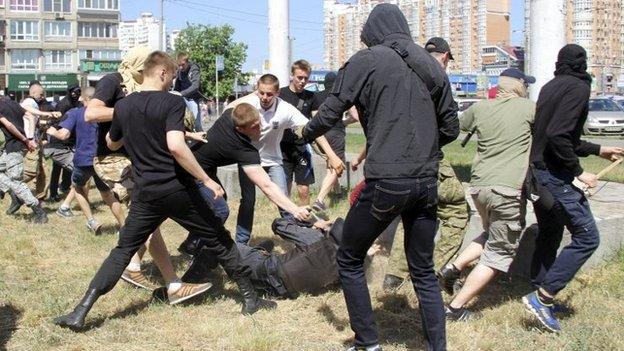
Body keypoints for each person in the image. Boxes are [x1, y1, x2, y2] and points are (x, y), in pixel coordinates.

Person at [53, 51, 276, 331]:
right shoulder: (172, 102)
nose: (172, 81)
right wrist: (206, 180)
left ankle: (80, 311)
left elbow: (111, 143)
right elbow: (175, 145)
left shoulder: (124, 106)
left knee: (122, 250)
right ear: (161, 73)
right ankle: (250, 298)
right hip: (177, 189)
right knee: (219, 238)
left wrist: (137, 135)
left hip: (146, 193)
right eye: (171, 75)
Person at [300, 4, 458, 350]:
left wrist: (303, 133)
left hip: (388, 180)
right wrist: (422, 148)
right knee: (422, 268)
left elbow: (331, 110)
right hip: (427, 182)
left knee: (350, 256)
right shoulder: (430, 64)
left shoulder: (366, 60)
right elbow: (451, 126)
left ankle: (368, 343)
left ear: (372, 31)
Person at [523, 44, 623, 333]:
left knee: (551, 230)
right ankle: (543, 298)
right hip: (554, 175)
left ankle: (540, 290)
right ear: (584, 64)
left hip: (536, 172)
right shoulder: (578, 88)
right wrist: (579, 172)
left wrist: (599, 149)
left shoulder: (550, 87)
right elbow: (558, 135)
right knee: (588, 237)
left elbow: (561, 135)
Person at [436, 68, 536, 321]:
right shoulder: (529, 109)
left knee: (491, 233)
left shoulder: (480, 108)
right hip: (507, 189)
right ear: (521, 86)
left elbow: (454, 127)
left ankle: (453, 268)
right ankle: (455, 309)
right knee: (500, 252)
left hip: (479, 187)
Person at [84, 45, 185, 294]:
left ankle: (133, 264)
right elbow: (91, 113)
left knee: (145, 217)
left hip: (135, 159)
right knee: (146, 218)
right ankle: (171, 281)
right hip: (112, 159)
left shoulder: (141, 88)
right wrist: (127, 111)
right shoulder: (114, 82)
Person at [382, 37, 469, 290]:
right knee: (456, 210)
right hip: (427, 158)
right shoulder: (438, 77)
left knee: (411, 212)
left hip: (397, 159)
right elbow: (451, 127)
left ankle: (394, 276)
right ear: (445, 57)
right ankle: (436, 271)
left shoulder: (402, 73)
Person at [178, 103, 311, 254]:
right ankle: (195, 247)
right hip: (190, 171)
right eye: (254, 127)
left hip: (204, 168)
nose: (260, 129)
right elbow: (267, 186)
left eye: (259, 123)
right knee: (220, 210)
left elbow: (239, 105)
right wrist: (295, 209)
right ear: (240, 129)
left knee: (219, 201)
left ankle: (193, 242)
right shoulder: (242, 149)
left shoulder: (229, 115)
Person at [230, 74, 344, 245]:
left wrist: (332, 155)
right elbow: (228, 110)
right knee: (248, 202)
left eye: (269, 94)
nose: (265, 98)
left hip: (274, 160)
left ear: (277, 93)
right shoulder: (249, 104)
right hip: (249, 160)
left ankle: (302, 241)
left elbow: (312, 130)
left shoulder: (286, 109)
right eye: (261, 93)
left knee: (284, 202)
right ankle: (241, 244)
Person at [182, 217, 344, 299]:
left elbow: (278, 225)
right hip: (280, 293)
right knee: (264, 250)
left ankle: (187, 283)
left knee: (219, 243)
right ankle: (258, 251)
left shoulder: (315, 237)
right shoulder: (348, 264)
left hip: (263, 272)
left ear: (330, 231)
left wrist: (309, 223)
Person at [45, 87, 123, 234]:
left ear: (83, 98)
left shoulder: (75, 113)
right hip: (101, 159)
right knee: (107, 194)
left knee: (78, 188)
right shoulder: (106, 114)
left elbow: (64, 135)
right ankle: (124, 226)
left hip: (82, 160)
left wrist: (52, 131)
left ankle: (92, 221)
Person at [310, 72, 359, 211]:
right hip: (336, 133)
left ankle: (337, 192)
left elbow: (315, 119)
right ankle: (319, 200)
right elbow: (355, 116)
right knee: (336, 167)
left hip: (320, 135)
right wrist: (344, 122)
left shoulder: (317, 96)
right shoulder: (341, 96)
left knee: (331, 163)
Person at [0, 96, 48, 223]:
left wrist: (26, 139)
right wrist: (30, 137)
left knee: (16, 181)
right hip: (13, 147)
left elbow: (9, 125)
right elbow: (30, 116)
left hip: (14, 147)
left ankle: (38, 210)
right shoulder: (13, 103)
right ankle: (14, 196)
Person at [279, 59, 317, 205]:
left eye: (306, 78)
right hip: (282, 148)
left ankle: (305, 223)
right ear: (292, 75)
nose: (302, 81)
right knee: (284, 189)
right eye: (299, 77)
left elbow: (316, 122)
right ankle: (287, 222)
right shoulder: (280, 94)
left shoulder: (312, 97)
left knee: (304, 190)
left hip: (302, 148)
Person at [47, 84, 82, 203]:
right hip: (59, 139)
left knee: (68, 167)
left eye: (78, 92)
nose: (75, 94)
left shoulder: (77, 103)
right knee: (57, 168)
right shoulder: (64, 104)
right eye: (73, 92)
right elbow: (56, 121)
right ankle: (53, 193)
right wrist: (58, 134)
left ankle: (65, 186)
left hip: (70, 139)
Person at [174, 52, 203, 131]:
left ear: (187, 62)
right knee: (180, 122)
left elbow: (195, 86)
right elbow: (177, 86)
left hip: (193, 99)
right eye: (179, 65)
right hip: (183, 97)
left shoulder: (194, 69)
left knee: (196, 124)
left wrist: (181, 94)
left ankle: (201, 139)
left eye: (182, 65)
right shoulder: (179, 71)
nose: (180, 67)